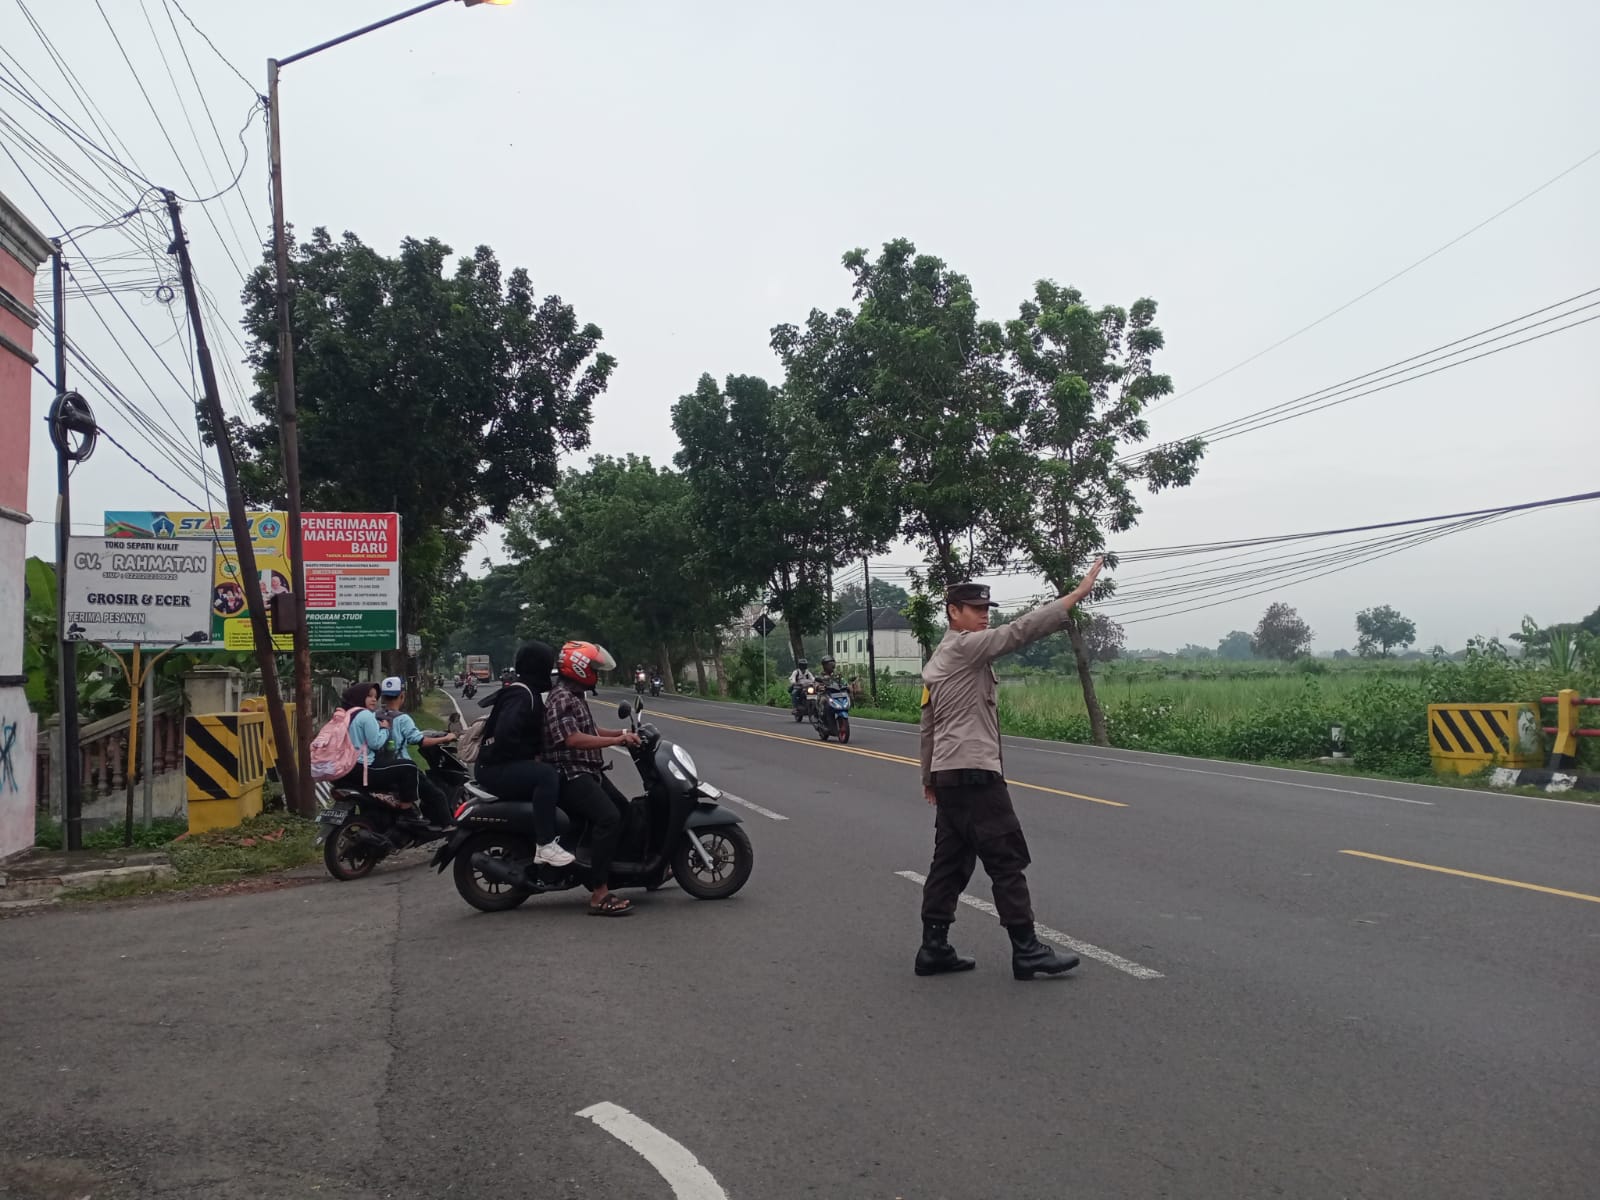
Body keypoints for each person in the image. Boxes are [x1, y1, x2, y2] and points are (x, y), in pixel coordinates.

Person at [915, 561, 1104, 981]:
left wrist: (930, 777)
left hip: (950, 775)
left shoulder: (939, 659)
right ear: (953, 612)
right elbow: (1018, 631)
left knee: (950, 862)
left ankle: (933, 948)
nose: (984, 615)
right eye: (974, 608)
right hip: (975, 774)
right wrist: (1073, 597)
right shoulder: (966, 647)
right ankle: (1027, 950)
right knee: (1006, 859)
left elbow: (928, 725)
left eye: (986, 608)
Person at [544, 640, 640, 916]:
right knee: (608, 818)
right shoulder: (561, 697)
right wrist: (616, 741)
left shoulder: (575, 695)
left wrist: (623, 734)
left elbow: (591, 728)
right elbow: (573, 739)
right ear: (579, 668)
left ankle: (615, 869)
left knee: (624, 810)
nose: (597, 674)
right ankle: (599, 893)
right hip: (570, 774)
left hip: (588, 771)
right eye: (594, 668)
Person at [474, 644, 575, 868]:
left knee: (551, 771)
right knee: (546, 776)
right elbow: (505, 734)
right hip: (494, 767)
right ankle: (545, 844)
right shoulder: (522, 694)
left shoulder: (527, 691)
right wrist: (529, 758)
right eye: (547, 666)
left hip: (499, 763)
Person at [336, 681, 431, 826]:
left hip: (345, 767)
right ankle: (407, 811)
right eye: (369, 696)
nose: (374, 699)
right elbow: (376, 743)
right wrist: (385, 728)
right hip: (363, 766)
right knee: (409, 766)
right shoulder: (365, 715)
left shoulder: (346, 714)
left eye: (376, 696)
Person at [376, 676, 459, 829]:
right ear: (402, 695)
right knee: (438, 795)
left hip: (379, 767)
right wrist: (446, 737)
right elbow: (420, 741)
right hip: (402, 767)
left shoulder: (375, 716)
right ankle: (449, 828)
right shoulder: (403, 719)